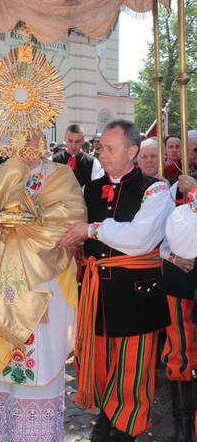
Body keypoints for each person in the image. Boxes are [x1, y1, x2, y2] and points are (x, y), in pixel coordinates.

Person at [59, 119, 175, 442]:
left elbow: (140, 237)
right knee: (103, 364)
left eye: (110, 148)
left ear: (133, 151)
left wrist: (92, 229)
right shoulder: (89, 189)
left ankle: (125, 429)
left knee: (132, 373)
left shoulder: (155, 189)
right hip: (98, 295)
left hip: (136, 297)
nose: (102, 154)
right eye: (101, 148)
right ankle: (106, 420)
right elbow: (67, 225)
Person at [0, 133, 87, 442]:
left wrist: (25, 221)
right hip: (1, 273)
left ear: (45, 139)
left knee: (41, 348)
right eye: (20, 136)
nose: (28, 143)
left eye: (34, 136)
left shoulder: (61, 174)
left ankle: (35, 434)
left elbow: (72, 218)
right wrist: (10, 175)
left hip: (45, 276)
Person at [160, 174, 197, 442]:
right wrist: (172, 256)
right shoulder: (175, 187)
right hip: (182, 279)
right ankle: (182, 424)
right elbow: (158, 236)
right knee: (180, 350)